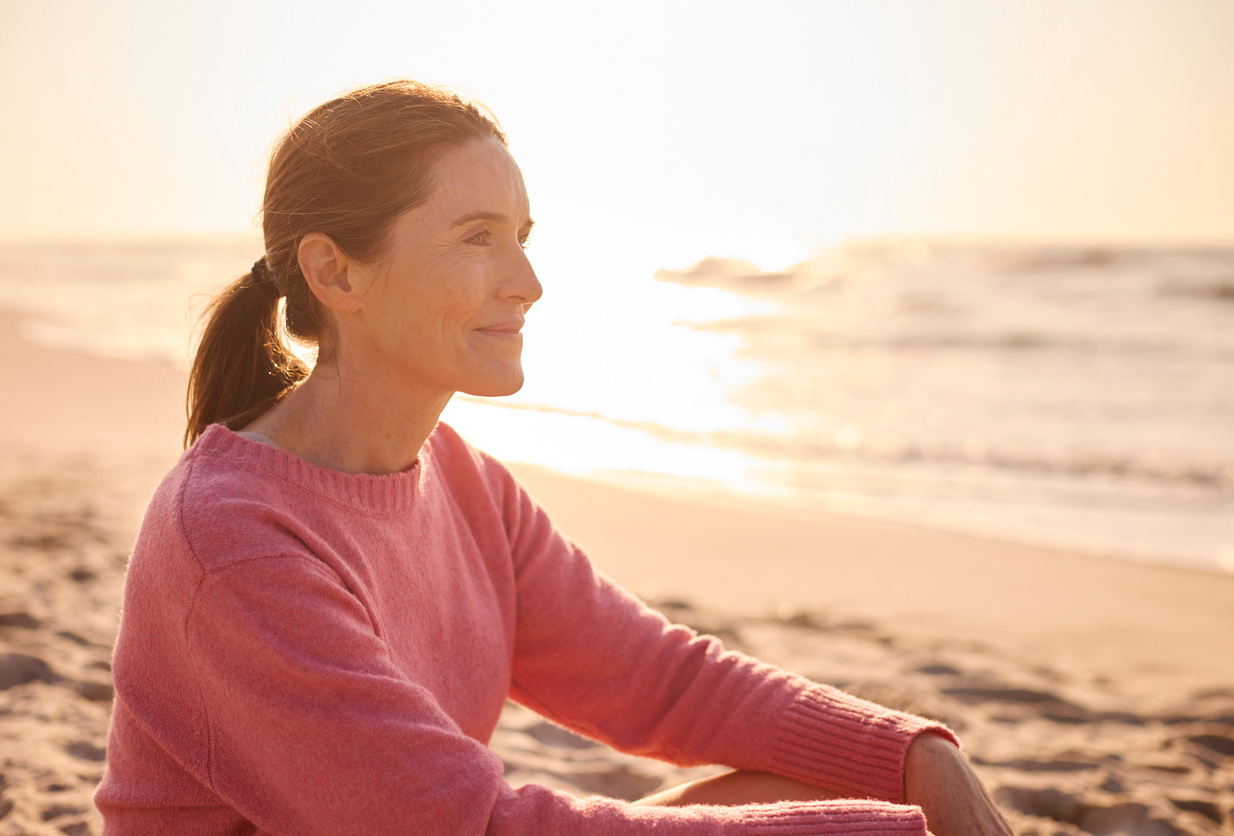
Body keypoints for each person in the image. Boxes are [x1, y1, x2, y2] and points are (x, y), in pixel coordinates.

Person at [95, 79, 1012, 835]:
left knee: (882, 789)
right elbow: (477, 831)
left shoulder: (464, 484)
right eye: (477, 236)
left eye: (523, 239)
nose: (527, 284)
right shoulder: (234, 540)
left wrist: (912, 755)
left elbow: (662, 681)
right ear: (337, 274)